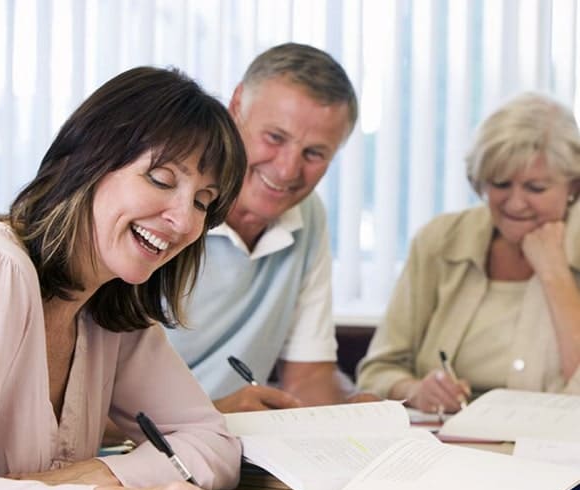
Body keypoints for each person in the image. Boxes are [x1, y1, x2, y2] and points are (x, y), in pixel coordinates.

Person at [0, 66, 247, 490]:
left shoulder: (112, 306)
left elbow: (213, 443)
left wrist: (97, 474)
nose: (185, 220)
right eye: (161, 179)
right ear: (86, 162)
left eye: (204, 202)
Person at [166, 42, 378, 412]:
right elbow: (87, 401)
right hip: (134, 448)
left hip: (230, 446)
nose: (286, 171)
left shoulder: (309, 217)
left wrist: (354, 413)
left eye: (314, 154)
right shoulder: (168, 204)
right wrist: (215, 414)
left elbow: (308, 376)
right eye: (275, 138)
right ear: (236, 107)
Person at [357, 92, 580, 415]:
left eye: (536, 188)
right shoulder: (440, 241)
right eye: (501, 184)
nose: (516, 203)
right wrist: (417, 390)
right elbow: (377, 371)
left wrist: (554, 273)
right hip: (445, 444)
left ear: (572, 186)